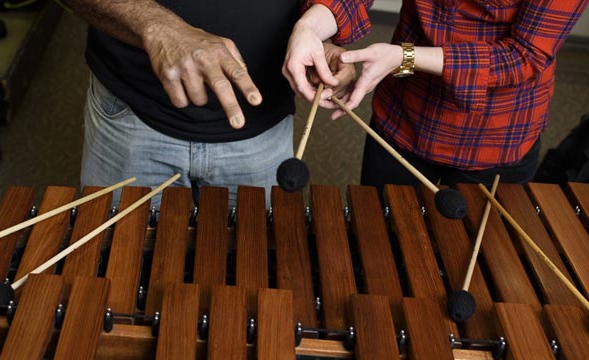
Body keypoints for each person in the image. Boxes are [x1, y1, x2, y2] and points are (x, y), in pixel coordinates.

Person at [65, 0, 373, 207]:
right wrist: (156, 27)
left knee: (251, 280)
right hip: (131, 115)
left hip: (264, 128)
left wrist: (316, 29)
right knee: (117, 271)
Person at [330, 0, 589, 193]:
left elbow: (525, 55)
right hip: (404, 111)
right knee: (380, 239)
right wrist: (315, 28)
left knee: (474, 256)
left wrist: (406, 56)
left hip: (495, 134)